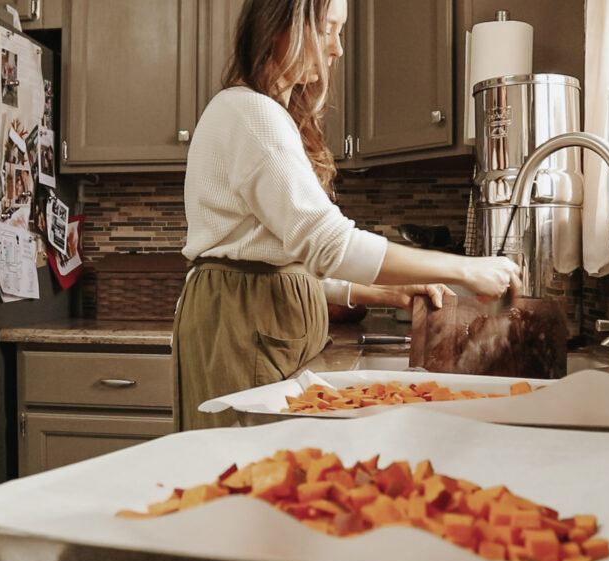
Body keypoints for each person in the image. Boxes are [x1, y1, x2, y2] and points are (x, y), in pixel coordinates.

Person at [173, 0, 521, 430]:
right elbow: (328, 245)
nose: (337, 49)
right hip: (242, 324)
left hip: (255, 317)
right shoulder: (252, 114)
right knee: (248, 471)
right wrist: (467, 269)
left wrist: (386, 292)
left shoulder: (260, 113)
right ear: (281, 26)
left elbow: (291, 263)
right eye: (327, 30)